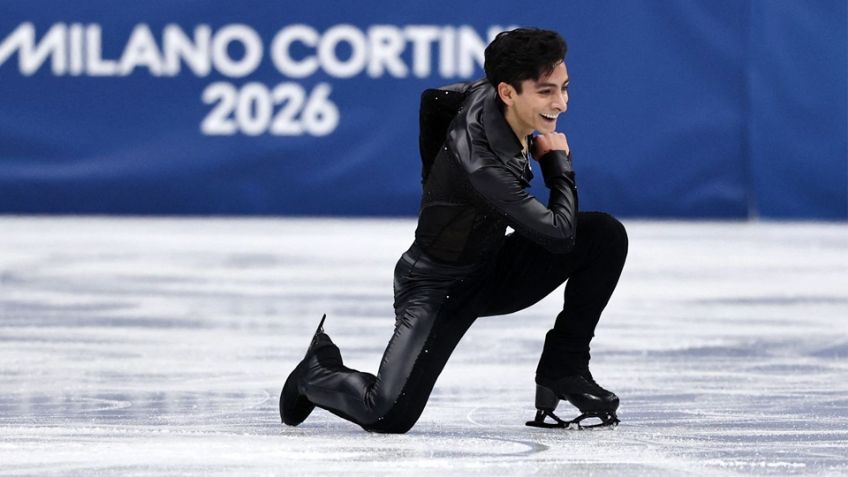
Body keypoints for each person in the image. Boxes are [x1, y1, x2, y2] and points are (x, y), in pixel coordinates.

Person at [280, 27, 628, 433]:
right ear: (508, 93)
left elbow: (434, 100)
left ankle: (564, 368)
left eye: (565, 88)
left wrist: (435, 178)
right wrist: (558, 166)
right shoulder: (485, 167)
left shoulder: (481, 94)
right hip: (435, 288)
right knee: (387, 413)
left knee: (604, 235)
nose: (562, 103)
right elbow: (558, 235)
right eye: (547, 92)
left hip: (490, 267)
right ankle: (317, 370)